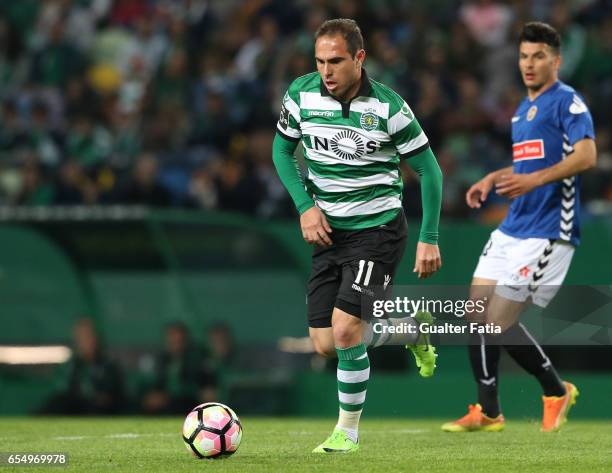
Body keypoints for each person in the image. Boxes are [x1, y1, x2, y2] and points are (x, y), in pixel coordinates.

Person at [272, 19, 443, 453]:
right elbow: (281, 150)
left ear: (359, 58)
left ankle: (346, 433)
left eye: (336, 61)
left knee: (346, 331)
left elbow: (429, 171)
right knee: (326, 342)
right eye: (320, 61)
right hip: (329, 233)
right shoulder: (301, 94)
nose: (326, 71)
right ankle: (407, 331)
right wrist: (305, 206)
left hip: (378, 230)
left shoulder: (389, 107)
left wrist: (431, 236)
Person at [442, 22, 596, 433]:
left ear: (556, 60)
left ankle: (554, 390)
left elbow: (586, 155)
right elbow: (528, 165)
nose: (529, 64)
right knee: (477, 314)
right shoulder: (522, 109)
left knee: (496, 321)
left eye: (539, 56)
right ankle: (489, 410)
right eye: (525, 56)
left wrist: (533, 181)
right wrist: (495, 176)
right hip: (513, 226)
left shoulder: (568, 102)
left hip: (548, 230)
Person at [40, 317, 124, 415]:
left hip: (102, 411)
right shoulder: (71, 366)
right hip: (75, 410)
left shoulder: (109, 365)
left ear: (95, 338)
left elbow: (112, 396)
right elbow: (64, 395)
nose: (84, 341)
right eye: (80, 337)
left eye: (87, 336)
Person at [141, 322, 217, 415]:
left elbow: (205, 387)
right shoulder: (159, 359)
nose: (176, 345)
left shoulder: (197, 358)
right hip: (163, 406)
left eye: (180, 341)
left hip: (189, 403)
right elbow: (151, 386)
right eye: (172, 341)